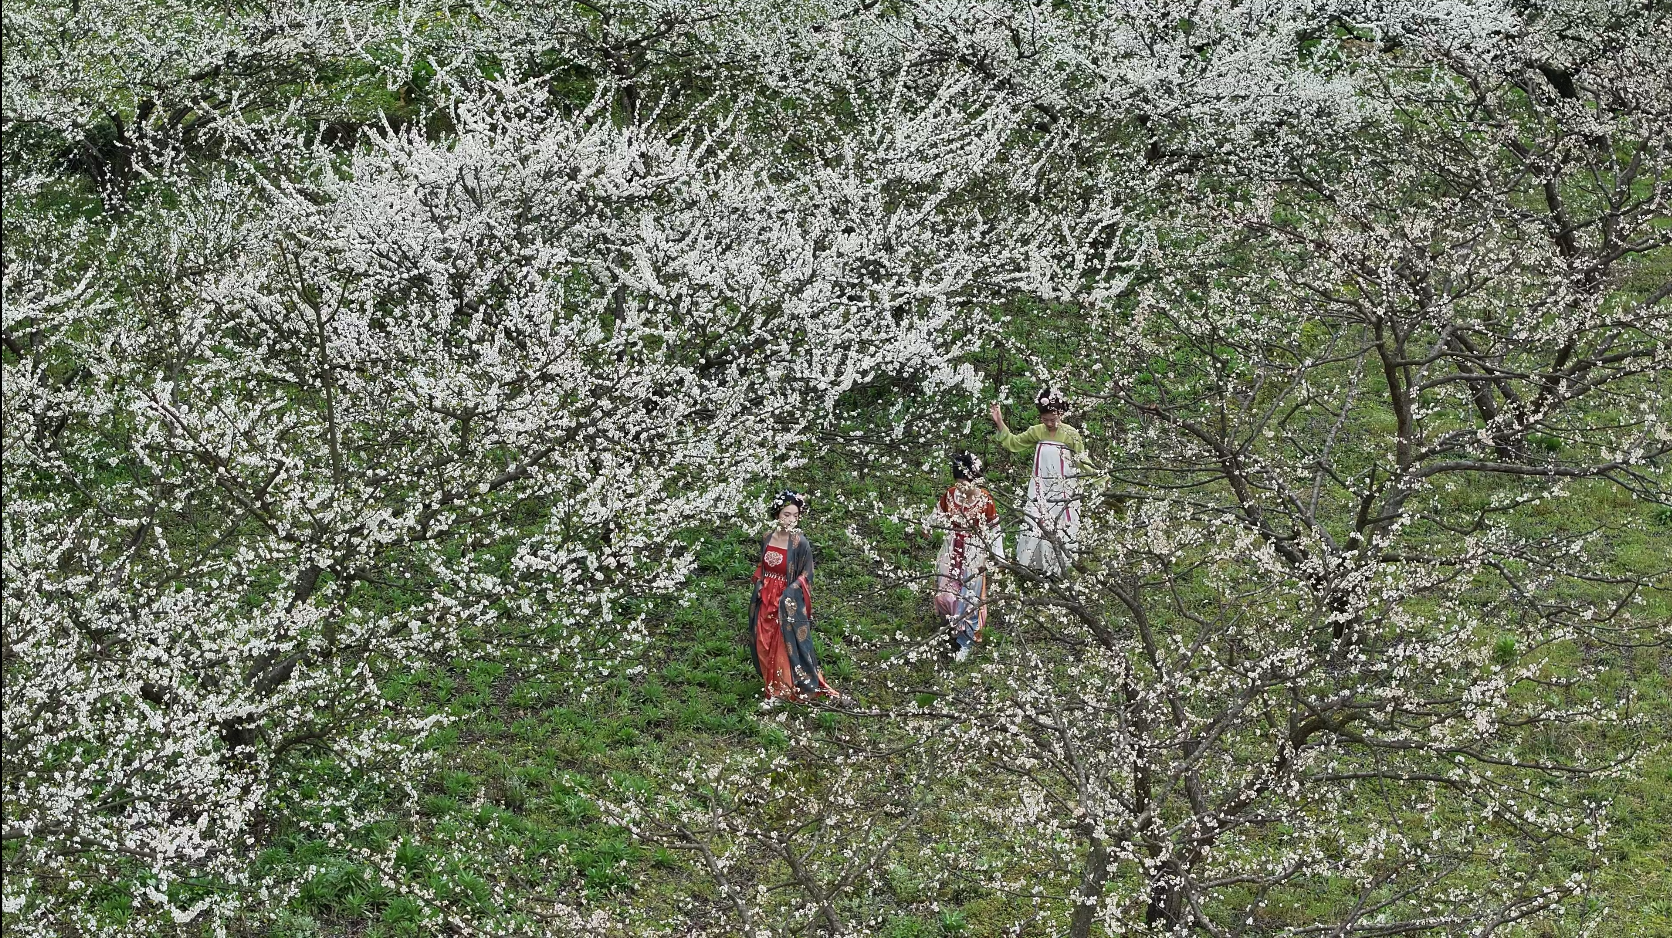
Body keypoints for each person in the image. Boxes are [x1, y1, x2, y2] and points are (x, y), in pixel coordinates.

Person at [748, 491, 839, 701]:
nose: (790, 520)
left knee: (781, 645)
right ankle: (770, 683)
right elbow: (762, 566)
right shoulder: (766, 538)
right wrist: (760, 583)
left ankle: (781, 692)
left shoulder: (800, 543)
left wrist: (790, 591)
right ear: (777, 514)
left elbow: (807, 574)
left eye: (795, 516)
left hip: (786, 601)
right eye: (786, 515)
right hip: (766, 598)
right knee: (763, 642)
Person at [989, 387, 1087, 576]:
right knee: (1036, 521)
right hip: (1040, 487)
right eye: (1045, 419)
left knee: (1061, 525)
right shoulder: (1037, 431)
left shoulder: (1071, 434)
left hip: (1063, 488)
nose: (1050, 423)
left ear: (1061, 414)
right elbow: (1013, 443)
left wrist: (1100, 476)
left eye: (1053, 419)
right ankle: (1032, 568)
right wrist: (999, 421)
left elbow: (1083, 460)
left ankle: (1059, 570)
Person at [928, 451, 1003, 661]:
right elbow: (938, 512)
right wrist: (927, 525)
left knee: (970, 595)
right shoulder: (951, 494)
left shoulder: (985, 500)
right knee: (946, 590)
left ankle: (966, 639)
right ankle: (949, 624)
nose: (962, 488)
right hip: (953, 547)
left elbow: (995, 530)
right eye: (958, 483)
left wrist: (997, 557)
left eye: (965, 483)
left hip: (974, 550)